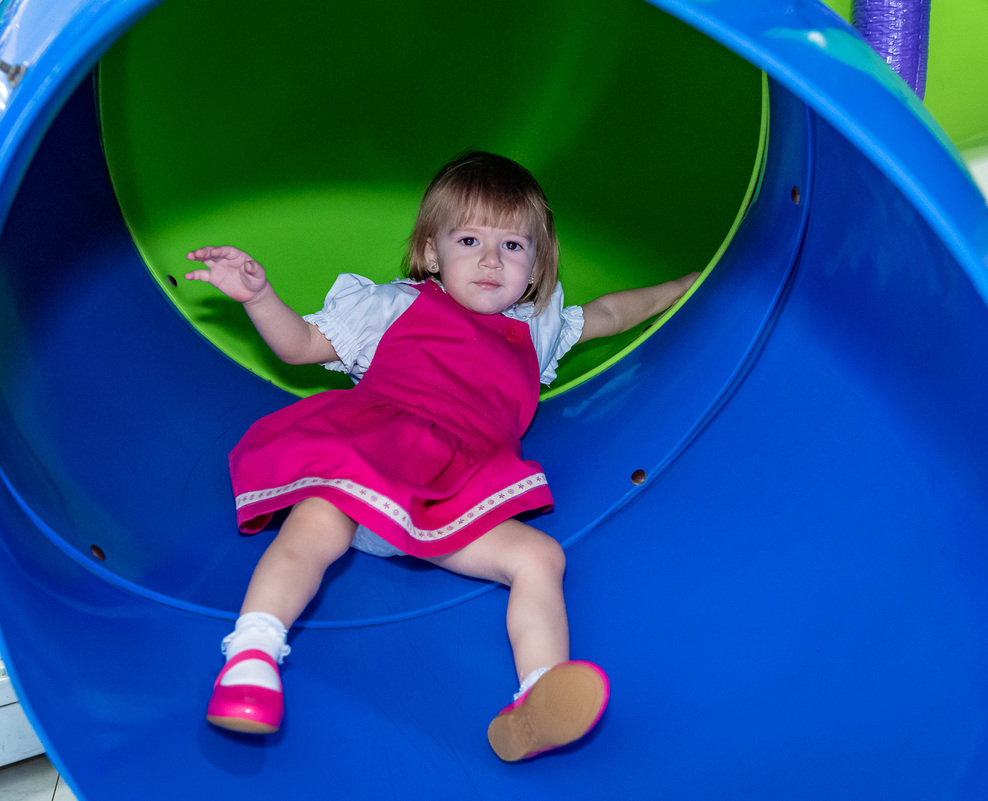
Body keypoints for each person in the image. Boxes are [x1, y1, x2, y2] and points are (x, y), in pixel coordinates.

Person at [185, 151, 698, 761]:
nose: (490, 259)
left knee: (539, 556)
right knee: (315, 525)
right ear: (432, 253)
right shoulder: (396, 305)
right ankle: (252, 658)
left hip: (449, 495)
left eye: (513, 246)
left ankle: (537, 697)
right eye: (470, 240)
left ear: (536, 268)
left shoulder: (538, 328)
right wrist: (258, 295)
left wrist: (691, 286)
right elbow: (299, 347)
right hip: (368, 460)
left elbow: (614, 312)